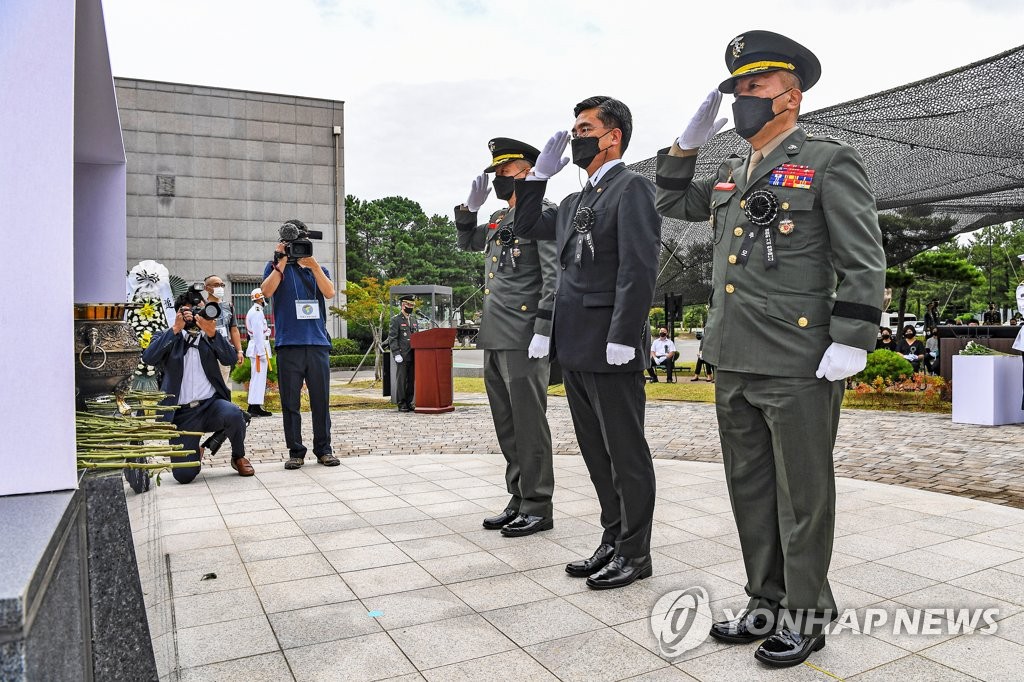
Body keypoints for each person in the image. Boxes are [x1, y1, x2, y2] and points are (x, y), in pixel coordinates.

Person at [654, 31, 886, 667]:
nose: (741, 100)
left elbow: (863, 258)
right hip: (733, 356)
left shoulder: (828, 160)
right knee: (749, 487)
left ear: (792, 94)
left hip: (798, 358)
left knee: (802, 495)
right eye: (735, 90)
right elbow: (669, 197)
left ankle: (806, 612)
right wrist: (686, 146)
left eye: (754, 87)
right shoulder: (733, 170)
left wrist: (852, 339)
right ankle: (766, 598)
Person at [514, 96, 661, 590]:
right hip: (575, 342)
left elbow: (638, 267)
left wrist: (624, 333)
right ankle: (612, 537)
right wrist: (537, 178)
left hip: (611, 345)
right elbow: (526, 225)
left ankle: (636, 552)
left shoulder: (632, 187)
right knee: (596, 452)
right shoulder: (575, 200)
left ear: (612, 135)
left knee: (626, 453)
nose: (574, 137)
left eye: (583, 128)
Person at [455, 137, 559, 537]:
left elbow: (553, 278)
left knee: (530, 424)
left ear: (528, 171)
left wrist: (543, 330)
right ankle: (518, 497)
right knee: (507, 423)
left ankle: (538, 504)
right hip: (496, 334)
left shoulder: (544, 214)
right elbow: (467, 242)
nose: (499, 177)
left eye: (505, 170)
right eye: (496, 172)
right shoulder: (500, 219)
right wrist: (471, 210)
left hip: (524, 335)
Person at [141, 294, 254, 482]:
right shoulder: (167, 335)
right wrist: (176, 329)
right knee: (184, 476)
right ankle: (196, 449)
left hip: (211, 406)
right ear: (178, 313)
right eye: (189, 312)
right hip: (182, 414)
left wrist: (213, 334)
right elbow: (149, 358)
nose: (194, 316)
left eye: (199, 311)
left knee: (233, 414)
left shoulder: (209, 337)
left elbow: (230, 359)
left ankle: (238, 456)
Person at [261, 219, 340, 469]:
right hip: (288, 345)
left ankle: (324, 449)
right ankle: (296, 451)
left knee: (320, 401)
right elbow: (266, 291)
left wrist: (313, 265)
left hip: (317, 344)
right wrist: (281, 262)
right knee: (290, 403)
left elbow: (329, 293)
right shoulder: (275, 267)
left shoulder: (318, 268)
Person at [203, 275, 244, 384]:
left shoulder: (228, 306)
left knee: (222, 386)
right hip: (205, 352)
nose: (220, 288)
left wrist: (239, 351)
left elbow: (234, 330)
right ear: (207, 288)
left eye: (222, 285)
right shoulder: (201, 306)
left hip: (223, 351)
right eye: (216, 285)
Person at [386, 295, 419, 412]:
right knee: (401, 379)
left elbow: (417, 336)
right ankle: (401, 403)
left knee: (411, 380)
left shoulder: (414, 319)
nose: (411, 307)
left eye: (412, 305)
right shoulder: (396, 320)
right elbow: (393, 338)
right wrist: (396, 353)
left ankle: (410, 401)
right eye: (409, 305)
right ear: (403, 305)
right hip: (402, 354)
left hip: (413, 354)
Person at [245, 288, 273, 417]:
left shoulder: (257, 311)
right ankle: (254, 406)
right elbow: (257, 333)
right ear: (260, 298)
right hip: (258, 349)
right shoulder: (257, 312)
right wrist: (261, 352)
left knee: (259, 379)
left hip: (259, 348)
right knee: (258, 379)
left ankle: (255, 405)